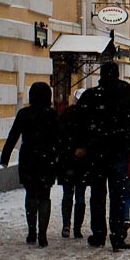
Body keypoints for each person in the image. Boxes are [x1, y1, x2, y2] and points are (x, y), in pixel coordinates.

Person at [72, 62, 130, 252]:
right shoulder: (129, 98)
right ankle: (117, 236)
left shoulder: (91, 96)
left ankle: (99, 233)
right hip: (119, 152)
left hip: (97, 152)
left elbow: (79, 123)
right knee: (118, 194)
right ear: (117, 75)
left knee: (98, 194)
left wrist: (81, 145)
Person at [0, 81, 62, 247]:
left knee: (31, 194)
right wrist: (61, 159)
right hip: (47, 159)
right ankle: (42, 234)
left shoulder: (24, 114)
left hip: (28, 158)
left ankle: (32, 230)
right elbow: (60, 139)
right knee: (44, 196)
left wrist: (4, 157)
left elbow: (13, 135)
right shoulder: (52, 115)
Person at [58, 90, 88, 239]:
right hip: (82, 162)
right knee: (80, 196)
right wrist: (83, 149)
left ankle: (66, 225)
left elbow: (61, 137)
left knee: (67, 194)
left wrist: (69, 151)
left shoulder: (66, 115)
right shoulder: (89, 116)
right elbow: (92, 137)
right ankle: (77, 228)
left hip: (68, 161)